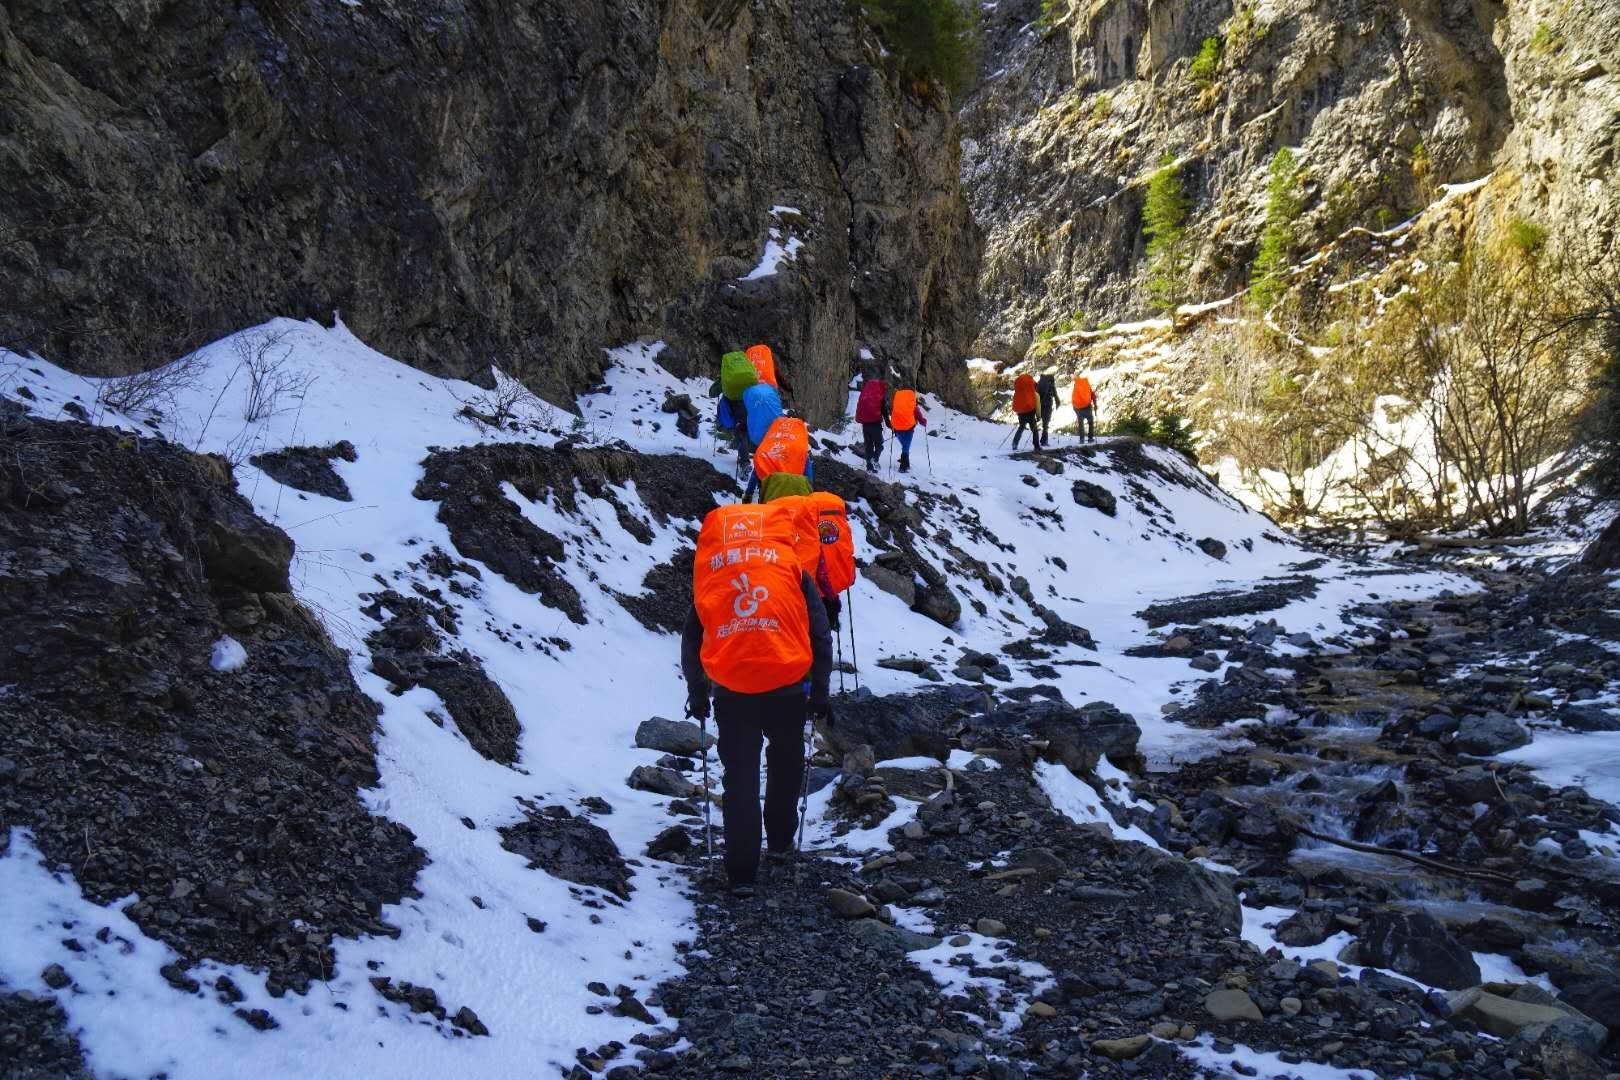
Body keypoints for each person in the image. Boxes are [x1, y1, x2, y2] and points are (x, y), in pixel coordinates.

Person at [683, 503, 833, 897]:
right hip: (786, 684)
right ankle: (781, 842)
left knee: (741, 778)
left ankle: (742, 873)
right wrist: (819, 693)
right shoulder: (792, 569)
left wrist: (698, 694)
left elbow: (692, 637)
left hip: (732, 690)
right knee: (786, 762)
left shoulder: (716, 569)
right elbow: (820, 634)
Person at [854, 369, 889, 471]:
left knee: (868, 446)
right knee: (879, 445)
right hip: (875, 424)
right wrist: (889, 424)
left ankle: (869, 468)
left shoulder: (866, 394)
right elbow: (884, 411)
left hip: (865, 425)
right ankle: (875, 459)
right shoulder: (879, 395)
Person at [889, 386, 927, 472]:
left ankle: (906, 463)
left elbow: (893, 416)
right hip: (908, 429)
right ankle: (903, 467)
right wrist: (924, 422)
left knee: (905, 446)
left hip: (897, 429)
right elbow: (920, 418)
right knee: (906, 447)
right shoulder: (912, 406)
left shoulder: (897, 405)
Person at [1010, 372, 1039, 452]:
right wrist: (1038, 415)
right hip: (1030, 411)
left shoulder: (1019, 391)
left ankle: (1015, 443)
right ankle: (1036, 446)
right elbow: (1036, 404)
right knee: (1034, 429)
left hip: (1020, 411)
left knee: (1021, 427)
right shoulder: (1032, 392)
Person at [1072, 375, 1097, 443]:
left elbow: (1073, 399)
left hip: (1078, 409)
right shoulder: (1087, 387)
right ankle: (1090, 438)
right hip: (1087, 407)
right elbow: (1093, 396)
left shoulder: (1076, 387)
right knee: (1091, 423)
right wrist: (1095, 405)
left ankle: (1082, 439)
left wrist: (1076, 409)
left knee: (1081, 424)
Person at [1036, 370, 1058, 448]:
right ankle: (1044, 441)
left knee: (1037, 423)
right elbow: (1055, 395)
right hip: (1048, 406)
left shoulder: (1039, 383)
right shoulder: (1051, 383)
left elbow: (1036, 394)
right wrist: (1057, 403)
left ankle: (1036, 440)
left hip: (1040, 405)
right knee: (1045, 424)